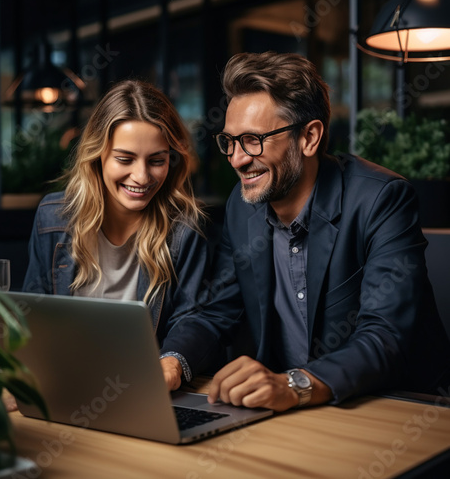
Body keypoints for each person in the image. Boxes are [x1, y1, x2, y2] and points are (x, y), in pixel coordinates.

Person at [161, 51, 450, 411]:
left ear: (309, 137)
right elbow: (217, 312)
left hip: (398, 405)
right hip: (297, 412)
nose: (236, 159)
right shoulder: (242, 205)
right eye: (230, 142)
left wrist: (293, 385)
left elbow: (384, 336)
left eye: (253, 140)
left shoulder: (381, 200)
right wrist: (172, 363)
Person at [22, 79, 210, 388]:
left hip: (141, 389)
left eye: (157, 161)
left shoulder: (184, 228)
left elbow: (192, 318)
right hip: (64, 385)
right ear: (98, 156)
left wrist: (172, 362)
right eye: (125, 159)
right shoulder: (53, 217)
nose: (142, 176)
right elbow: (32, 313)